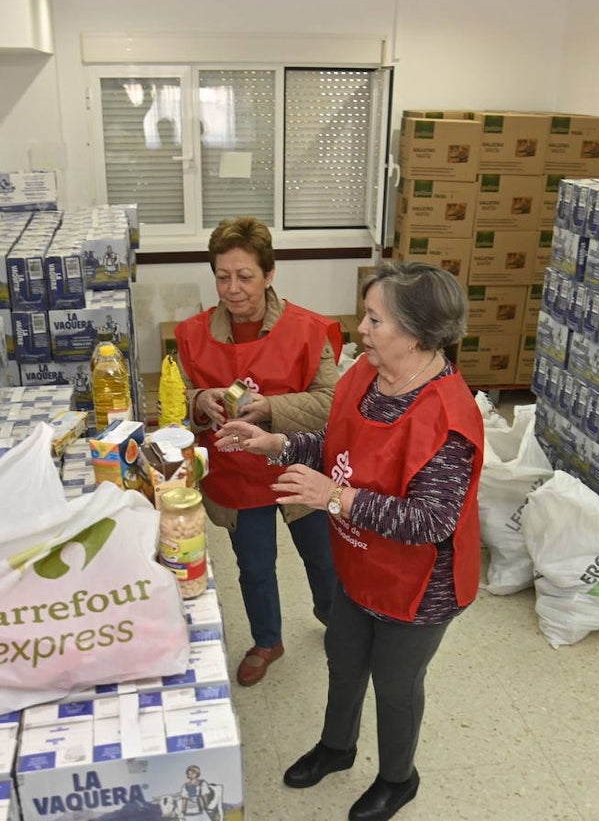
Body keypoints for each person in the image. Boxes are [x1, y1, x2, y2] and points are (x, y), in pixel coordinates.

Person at [214, 261, 484, 821]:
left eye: (374, 319)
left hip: (419, 585)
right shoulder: (364, 373)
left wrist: (334, 498)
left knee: (394, 683)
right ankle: (337, 748)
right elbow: (336, 443)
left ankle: (397, 779)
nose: (361, 328)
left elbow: (431, 521)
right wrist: (276, 443)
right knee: (343, 657)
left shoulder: (447, 416)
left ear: (415, 333)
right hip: (361, 562)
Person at [174, 216, 343, 688]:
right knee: (254, 567)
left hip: (299, 464)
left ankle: (335, 619)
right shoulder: (192, 334)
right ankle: (268, 640)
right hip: (236, 473)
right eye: (222, 276)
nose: (232, 289)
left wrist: (272, 408)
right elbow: (177, 397)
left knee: (322, 556)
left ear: (269, 275)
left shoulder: (308, 331)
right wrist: (198, 401)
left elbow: (333, 405)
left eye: (245, 276)